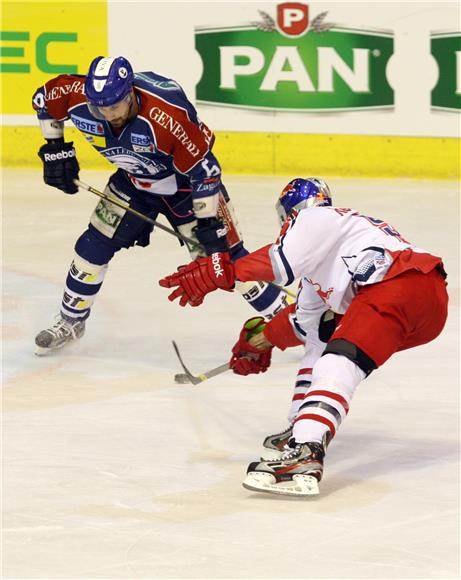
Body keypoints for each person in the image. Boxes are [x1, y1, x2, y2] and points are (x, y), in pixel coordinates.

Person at [159, 178, 448, 496]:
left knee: (337, 365)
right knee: (325, 339)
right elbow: (306, 325)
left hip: (396, 285)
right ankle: (302, 426)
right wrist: (261, 340)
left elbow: (279, 262)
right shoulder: (328, 256)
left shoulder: (317, 217)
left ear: (288, 214)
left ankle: (306, 453)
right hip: (424, 305)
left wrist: (225, 270)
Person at [32, 55, 288, 354]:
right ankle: (70, 321)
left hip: (187, 189)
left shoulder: (168, 117)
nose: (106, 114)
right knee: (91, 247)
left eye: (114, 106)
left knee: (229, 263)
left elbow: (205, 173)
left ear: (130, 94)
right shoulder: (76, 95)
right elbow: (43, 100)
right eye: (98, 108)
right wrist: (56, 149)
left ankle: (293, 320)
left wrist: (207, 225)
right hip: (133, 182)